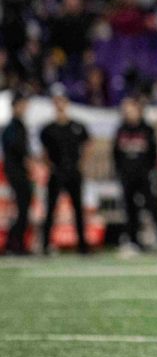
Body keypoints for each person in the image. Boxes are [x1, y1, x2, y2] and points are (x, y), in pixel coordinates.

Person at [112, 96, 157, 253]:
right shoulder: (121, 130)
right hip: (127, 176)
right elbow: (116, 154)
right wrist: (120, 172)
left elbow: (153, 153)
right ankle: (132, 242)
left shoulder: (147, 129)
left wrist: (150, 172)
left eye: (131, 109)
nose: (128, 112)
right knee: (130, 210)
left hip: (144, 175)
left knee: (152, 207)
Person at [39, 87, 91, 255]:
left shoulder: (77, 126)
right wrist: (50, 166)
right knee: (50, 208)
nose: (60, 104)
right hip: (57, 172)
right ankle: (46, 244)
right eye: (57, 101)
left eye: (62, 100)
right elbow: (43, 152)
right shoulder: (48, 129)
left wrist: (81, 164)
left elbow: (88, 145)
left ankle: (82, 245)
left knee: (78, 208)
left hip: (73, 171)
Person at [2, 91, 34, 255]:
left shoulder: (19, 125)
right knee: (22, 208)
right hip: (16, 172)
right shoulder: (12, 127)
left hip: (20, 172)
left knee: (24, 209)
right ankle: (15, 244)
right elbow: (16, 149)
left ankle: (16, 243)